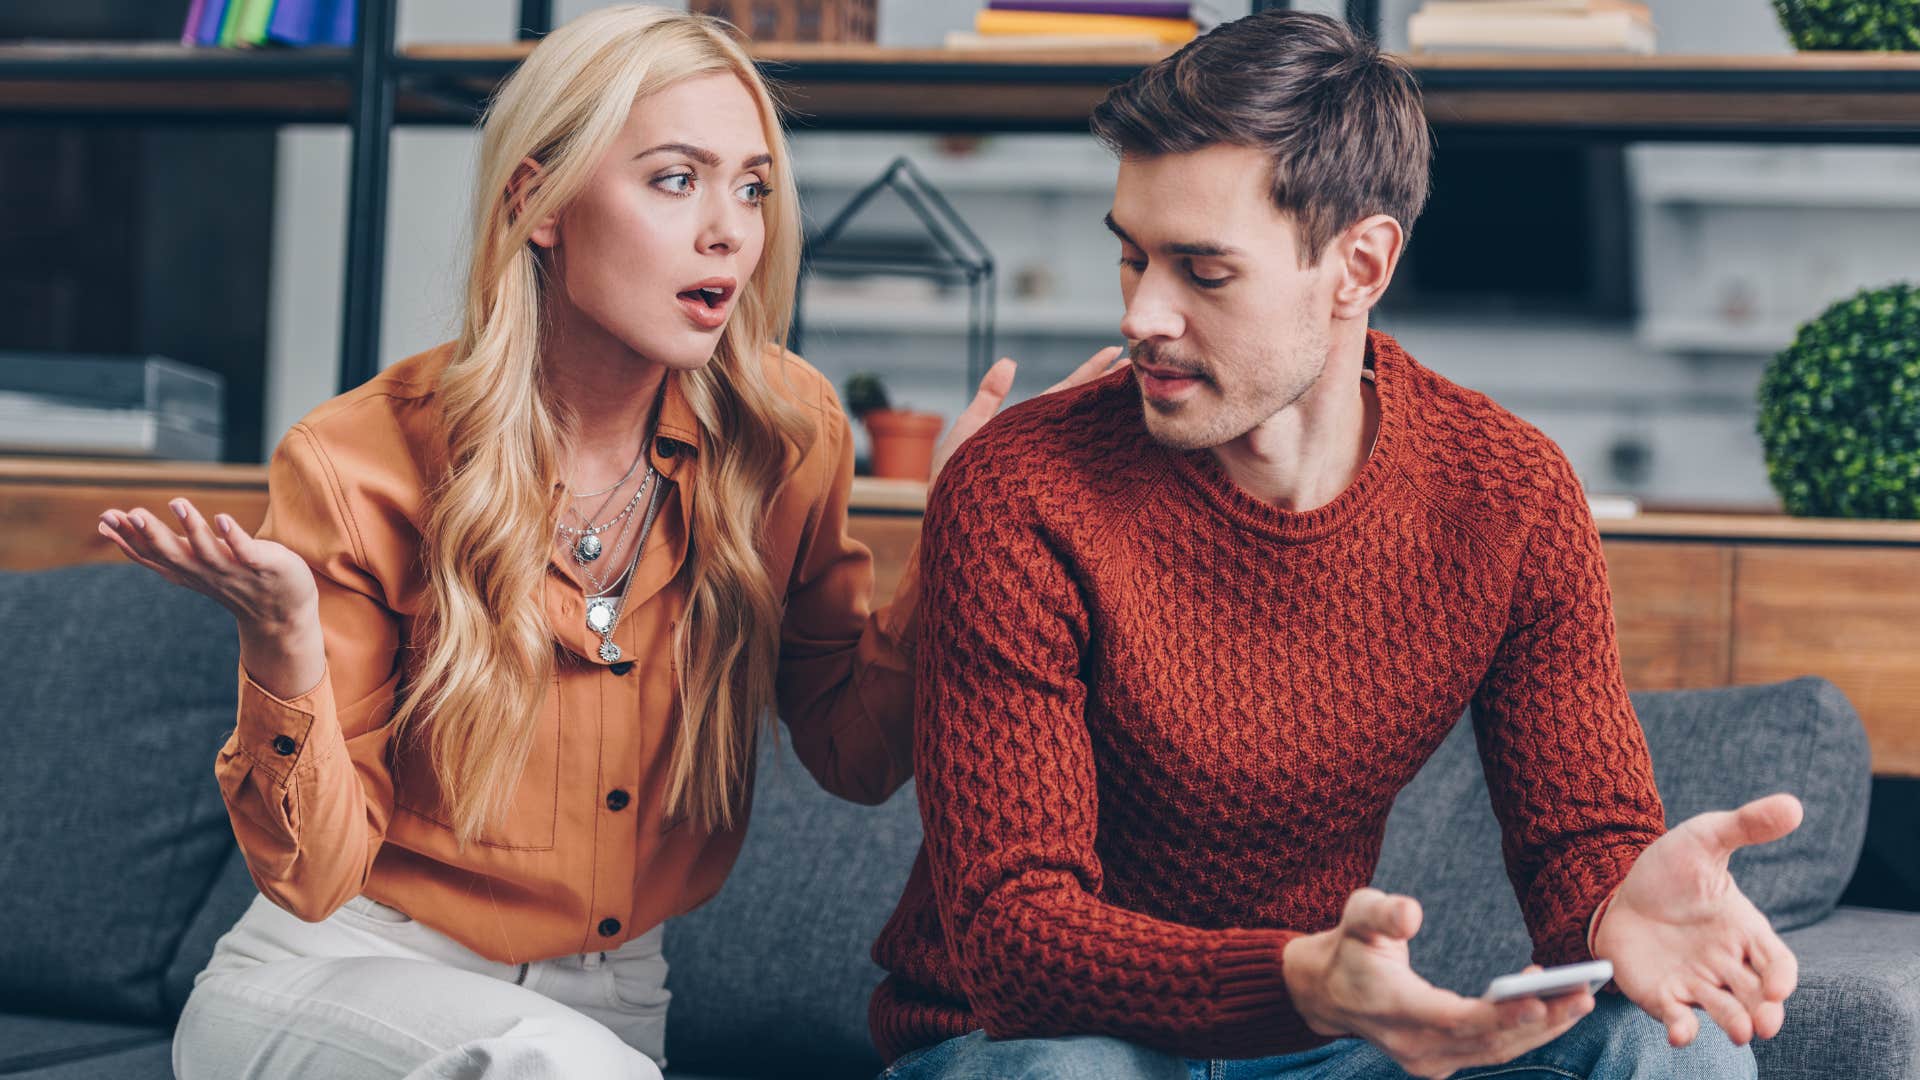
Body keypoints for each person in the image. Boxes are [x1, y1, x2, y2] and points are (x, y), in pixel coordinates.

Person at [94, 7, 1116, 1078]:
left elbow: (853, 756)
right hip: (339, 974)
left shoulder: (787, 434)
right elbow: (312, 879)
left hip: (614, 1005)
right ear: (538, 200)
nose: (729, 229)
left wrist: (961, 534)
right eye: (676, 179)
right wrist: (283, 647)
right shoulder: (361, 461)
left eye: (753, 185)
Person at [871, 11, 1800, 1080]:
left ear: (1359, 265)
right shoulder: (1020, 489)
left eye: (1202, 272)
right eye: (1133, 259)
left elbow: (1578, 838)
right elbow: (1014, 937)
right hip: (1040, 1042)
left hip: (1315, 1050)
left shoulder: (1511, 495)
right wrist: (1304, 979)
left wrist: (1612, 906)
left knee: (1678, 1047)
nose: (1143, 315)